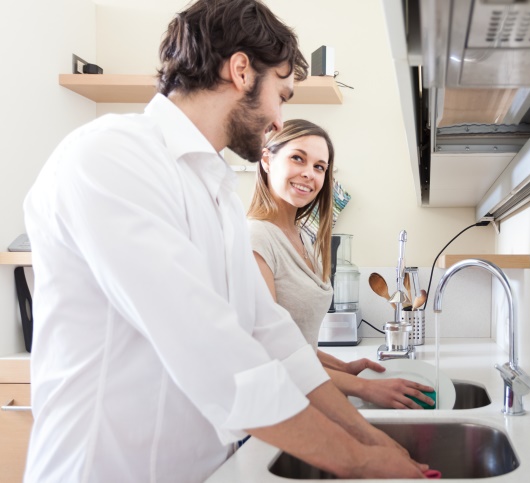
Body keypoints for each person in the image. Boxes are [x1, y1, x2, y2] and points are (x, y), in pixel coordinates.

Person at [22, 1, 427, 481]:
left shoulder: (215, 193)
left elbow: (268, 334)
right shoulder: (111, 156)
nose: (279, 119)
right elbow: (206, 348)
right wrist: (357, 460)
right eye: (282, 93)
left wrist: (371, 439)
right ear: (240, 71)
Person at [247, 119, 435, 409]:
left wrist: (341, 368)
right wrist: (362, 388)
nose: (309, 174)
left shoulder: (302, 237)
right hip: (272, 409)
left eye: (320, 167)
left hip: (303, 399)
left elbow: (297, 344)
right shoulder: (255, 238)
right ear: (267, 161)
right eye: (298, 158)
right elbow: (268, 353)